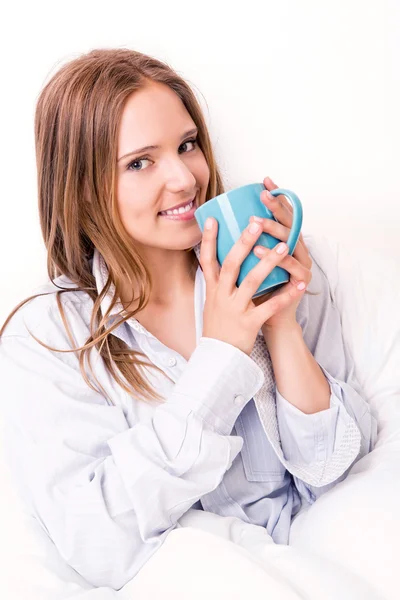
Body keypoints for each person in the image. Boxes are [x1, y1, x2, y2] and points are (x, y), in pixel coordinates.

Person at [0, 48, 377, 591]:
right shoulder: (48, 337)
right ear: (83, 186)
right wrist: (221, 358)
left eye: (187, 144)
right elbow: (99, 540)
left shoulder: (272, 268)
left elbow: (335, 471)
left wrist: (280, 320)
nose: (183, 177)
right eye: (140, 161)